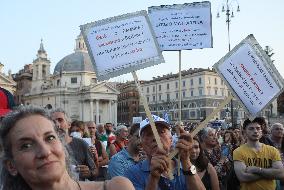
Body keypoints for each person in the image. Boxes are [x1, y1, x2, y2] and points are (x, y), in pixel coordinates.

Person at [0, 106, 135, 190]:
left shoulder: (117, 187)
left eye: (50, 138)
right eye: (26, 146)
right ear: (11, 165)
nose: (45, 151)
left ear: (62, 145)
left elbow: (94, 170)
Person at [124, 115, 205, 190]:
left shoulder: (184, 167)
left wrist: (186, 161)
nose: (156, 138)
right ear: (141, 145)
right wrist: (153, 178)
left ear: (171, 139)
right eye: (149, 134)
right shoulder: (132, 174)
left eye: (161, 132)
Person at [233, 118, 284, 190]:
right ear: (244, 132)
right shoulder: (238, 151)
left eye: (258, 128)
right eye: (251, 129)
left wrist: (257, 170)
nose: (255, 131)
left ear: (261, 131)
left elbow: (281, 174)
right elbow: (243, 177)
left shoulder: (272, 150)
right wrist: (270, 173)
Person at [50, 108, 97, 181]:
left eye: (60, 120)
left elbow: (94, 171)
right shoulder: (46, 147)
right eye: (53, 121)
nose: (57, 124)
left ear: (69, 124)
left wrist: (88, 173)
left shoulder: (81, 144)